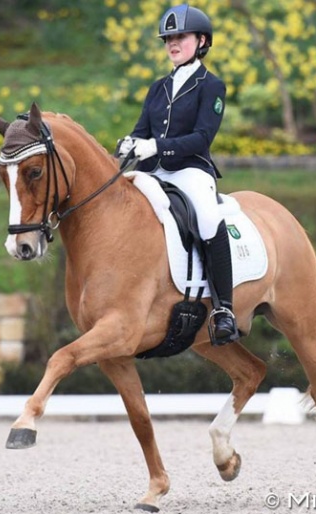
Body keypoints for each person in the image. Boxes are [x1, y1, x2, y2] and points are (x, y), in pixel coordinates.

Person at [117, 4, 239, 346]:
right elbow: (142, 130)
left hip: (189, 170)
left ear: (201, 41)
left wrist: (157, 147)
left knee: (207, 216)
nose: (172, 43)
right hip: (152, 172)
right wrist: (130, 144)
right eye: (168, 38)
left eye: (180, 37)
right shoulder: (158, 88)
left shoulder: (211, 86)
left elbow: (202, 138)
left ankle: (223, 309)